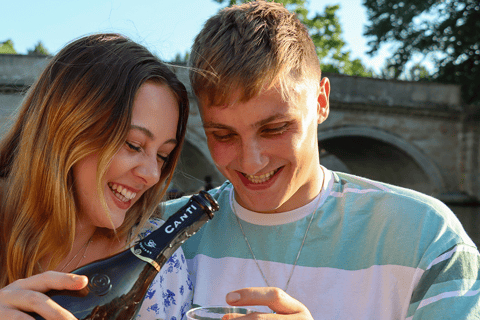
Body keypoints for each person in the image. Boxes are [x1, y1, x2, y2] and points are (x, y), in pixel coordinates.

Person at [164, 1, 480, 319]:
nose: (252, 161)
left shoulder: (427, 236)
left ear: (321, 101)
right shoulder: (155, 233)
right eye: (223, 135)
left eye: (275, 129)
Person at [0, 33, 192, 319]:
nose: (153, 175)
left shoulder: (157, 257)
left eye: (163, 156)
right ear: (68, 126)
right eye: (134, 144)